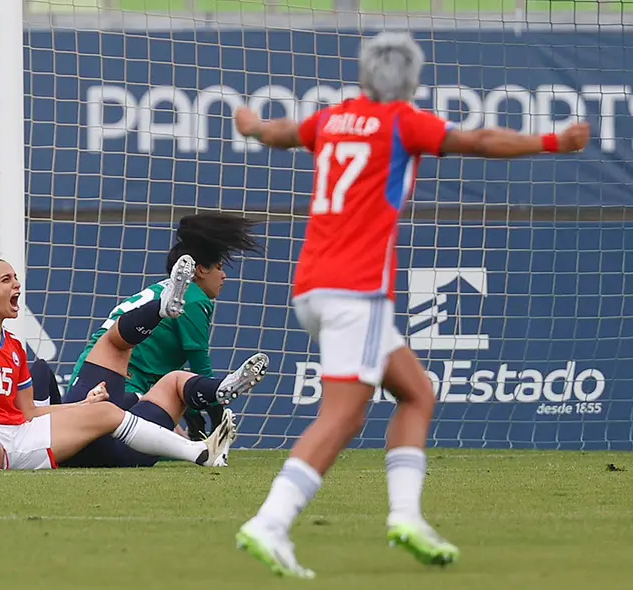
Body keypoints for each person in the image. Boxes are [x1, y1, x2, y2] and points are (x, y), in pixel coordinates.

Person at [231, 31, 590, 578]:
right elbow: (481, 141)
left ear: (361, 76)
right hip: (357, 293)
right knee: (344, 417)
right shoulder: (402, 122)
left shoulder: (333, 119)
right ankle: (270, 522)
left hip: (312, 286)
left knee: (417, 392)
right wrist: (551, 144)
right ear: (413, 83)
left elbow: (282, 132)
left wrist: (254, 126)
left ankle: (405, 517)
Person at [0, 256, 247, 472]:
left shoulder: (14, 346)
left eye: (16, 278)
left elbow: (28, 413)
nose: (17, 285)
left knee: (105, 410)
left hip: (17, 434)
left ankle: (201, 452)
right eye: (6, 280)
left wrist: (81, 405)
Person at [66, 213, 264, 442]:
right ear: (200, 270)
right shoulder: (194, 298)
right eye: (219, 267)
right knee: (136, 443)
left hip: (93, 373)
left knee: (159, 438)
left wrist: (195, 420)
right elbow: (201, 370)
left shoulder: (169, 291)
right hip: (118, 383)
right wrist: (218, 420)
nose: (224, 275)